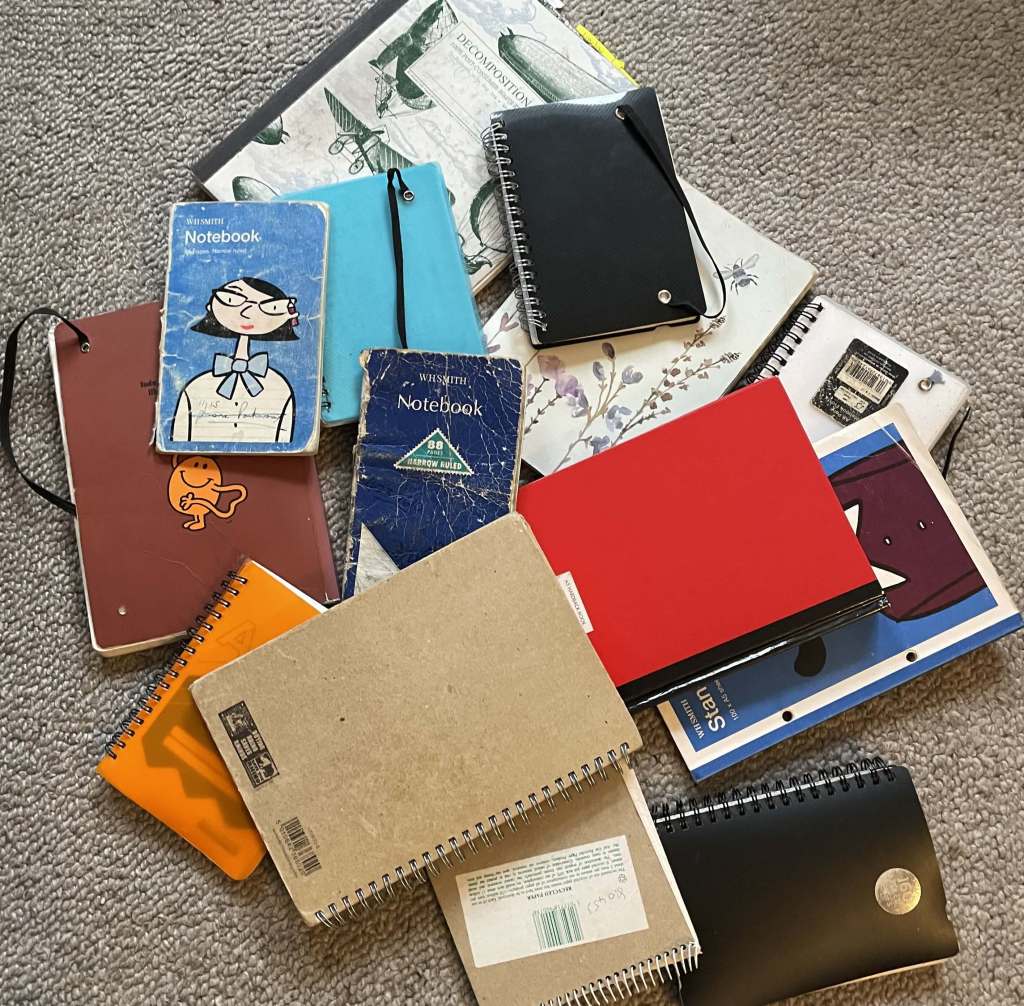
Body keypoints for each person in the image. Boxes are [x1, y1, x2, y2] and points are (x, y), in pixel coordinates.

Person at [171, 276, 299, 444]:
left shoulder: (280, 389)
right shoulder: (195, 388)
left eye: (271, 307)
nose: (247, 313)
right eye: (232, 300)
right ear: (211, 305)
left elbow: (284, 441)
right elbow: (179, 438)